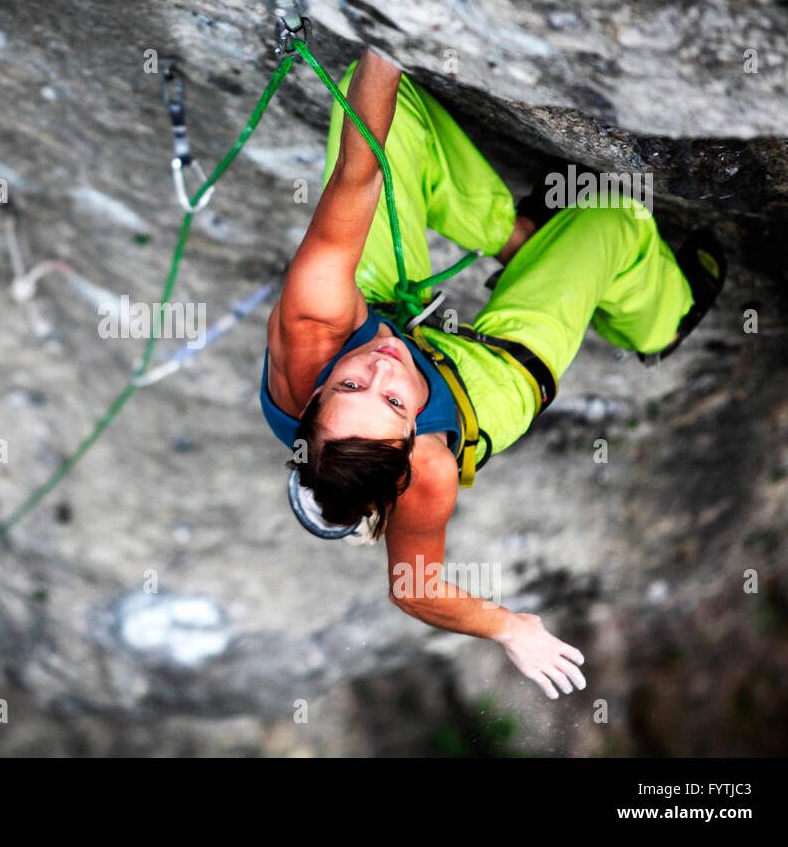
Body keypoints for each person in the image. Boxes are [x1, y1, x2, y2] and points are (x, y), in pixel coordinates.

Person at [260, 47, 727, 699]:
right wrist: (509, 627)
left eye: (350, 386)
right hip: (475, 392)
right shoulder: (428, 469)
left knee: (384, 118)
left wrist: (380, 47)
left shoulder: (314, 327)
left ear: (313, 397)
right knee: (611, 217)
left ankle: (517, 234)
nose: (382, 367)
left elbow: (355, 178)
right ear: (410, 439)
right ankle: (661, 317)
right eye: (394, 403)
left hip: (373, 306)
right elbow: (411, 590)